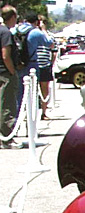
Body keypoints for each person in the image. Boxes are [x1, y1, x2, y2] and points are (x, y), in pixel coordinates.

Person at [23, 13, 53, 120]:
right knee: (33, 90)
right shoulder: (38, 33)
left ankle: (42, 113)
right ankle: (31, 114)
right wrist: (43, 30)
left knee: (41, 90)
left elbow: (53, 48)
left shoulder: (22, 31)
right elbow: (50, 43)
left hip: (38, 64)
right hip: (35, 64)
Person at [0, 4, 20, 149]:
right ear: (12, 17)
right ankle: (7, 138)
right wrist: (12, 71)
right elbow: (5, 55)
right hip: (5, 73)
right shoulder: (6, 33)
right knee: (7, 105)